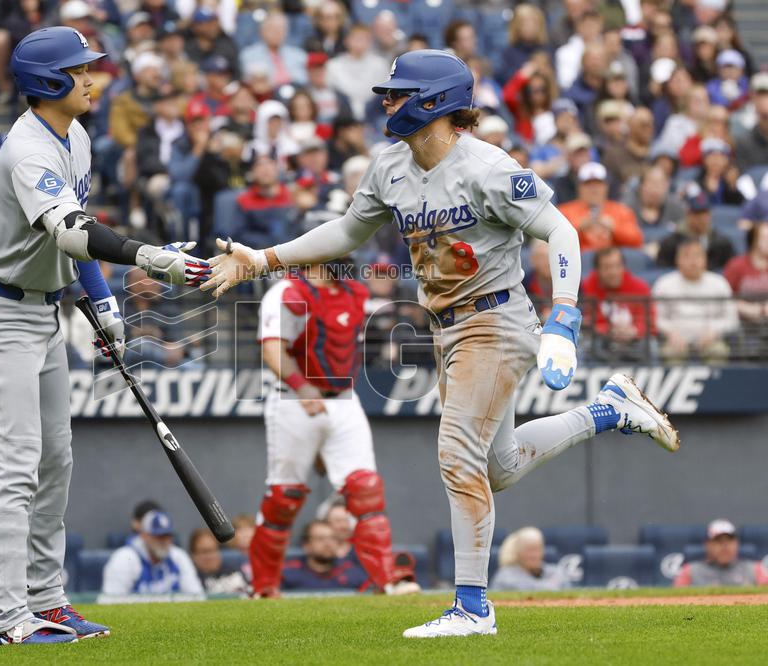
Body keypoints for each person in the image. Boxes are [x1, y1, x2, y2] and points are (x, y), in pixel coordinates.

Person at [203, 50, 680, 638]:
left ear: (435, 102)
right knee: (497, 467)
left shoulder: (487, 166)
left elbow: (561, 229)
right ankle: (610, 409)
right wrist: (264, 260)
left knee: (457, 453)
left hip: (497, 320)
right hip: (447, 326)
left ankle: (473, 607)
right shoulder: (391, 166)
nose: (387, 101)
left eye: (399, 93)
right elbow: (349, 231)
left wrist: (564, 319)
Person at [0, 26, 209, 647]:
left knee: (56, 461)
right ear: (49, 82)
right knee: (15, 471)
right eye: (80, 69)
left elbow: (80, 227)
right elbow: (70, 232)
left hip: (40, 312)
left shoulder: (78, 136)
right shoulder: (26, 150)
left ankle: (48, 602)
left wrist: (105, 302)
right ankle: (9, 621)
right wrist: (149, 258)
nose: (92, 78)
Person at [250, 259, 419, 597]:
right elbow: (272, 348)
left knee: (366, 488)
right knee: (285, 498)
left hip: (343, 396)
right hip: (294, 400)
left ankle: (385, 580)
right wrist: (301, 385)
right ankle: (264, 587)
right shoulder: (288, 291)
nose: (346, 256)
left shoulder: (354, 292)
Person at [653, 239, 738, 364]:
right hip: (674, 341)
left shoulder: (719, 283)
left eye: (697, 255)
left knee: (718, 351)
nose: (693, 261)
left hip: (711, 340)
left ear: (705, 259)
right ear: (678, 260)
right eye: (687, 256)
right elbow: (654, 317)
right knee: (669, 353)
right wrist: (670, 332)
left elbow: (732, 319)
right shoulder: (664, 284)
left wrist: (714, 331)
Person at [102, 510, 204, 596]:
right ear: (144, 536)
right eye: (158, 536)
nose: (164, 541)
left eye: (167, 535)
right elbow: (111, 601)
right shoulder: (125, 558)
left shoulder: (178, 556)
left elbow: (196, 596)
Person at [580, 247, 654, 360]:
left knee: (652, 346)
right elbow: (585, 319)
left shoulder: (640, 287)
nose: (613, 272)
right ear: (597, 270)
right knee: (585, 345)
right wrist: (607, 330)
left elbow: (649, 320)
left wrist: (634, 331)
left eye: (617, 266)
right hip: (600, 340)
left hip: (634, 340)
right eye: (607, 267)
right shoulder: (586, 287)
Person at [558, 162, 644, 251]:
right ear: (579, 187)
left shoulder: (622, 210)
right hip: (580, 261)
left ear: (606, 186)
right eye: (588, 184)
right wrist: (578, 228)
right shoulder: (564, 211)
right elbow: (556, 241)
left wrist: (614, 228)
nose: (593, 188)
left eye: (598, 183)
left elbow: (637, 240)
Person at [673, 519, 768, 587]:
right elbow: (675, 605)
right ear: (708, 545)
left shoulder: (755, 570)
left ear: (737, 544)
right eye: (718, 541)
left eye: (730, 540)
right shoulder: (689, 572)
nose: (725, 545)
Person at [656, 190, 735, 271]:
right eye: (697, 213)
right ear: (688, 214)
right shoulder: (672, 243)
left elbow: (732, 268)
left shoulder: (722, 243)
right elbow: (663, 269)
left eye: (705, 213)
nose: (702, 218)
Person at [281, 520, 369, 591]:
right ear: (306, 545)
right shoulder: (288, 572)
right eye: (320, 538)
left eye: (332, 538)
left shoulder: (350, 571)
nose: (328, 544)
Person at [489, 526, 571, 591]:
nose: (534, 555)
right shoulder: (505, 576)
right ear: (518, 552)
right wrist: (552, 584)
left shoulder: (555, 571)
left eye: (537, 549)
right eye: (529, 550)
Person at [724, 223, 768, 325]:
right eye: (765, 238)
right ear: (753, 240)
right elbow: (725, 296)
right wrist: (747, 308)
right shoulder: (736, 265)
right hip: (742, 325)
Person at [189, 528, 247, 594]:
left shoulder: (233, 571)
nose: (210, 556)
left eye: (213, 550)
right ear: (193, 555)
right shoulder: (191, 578)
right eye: (204, 552)